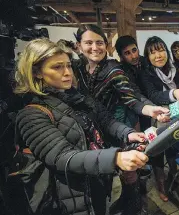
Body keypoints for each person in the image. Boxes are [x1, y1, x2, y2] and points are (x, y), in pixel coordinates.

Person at [14, 38, 149, 215]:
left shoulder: (77, 97)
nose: (67, 72)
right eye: (57, 67)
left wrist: (129, 134)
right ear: (37, 72)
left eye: (68, 66)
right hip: (66, 198)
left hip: (96, 184)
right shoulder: (31, 114)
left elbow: (106, 120)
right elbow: (62, 157)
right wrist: (115, 158)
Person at [73, 25, 168, 215]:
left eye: (99, 43)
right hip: (93, 129)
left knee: (128, 170)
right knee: (107, 169)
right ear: (78, 46)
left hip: (119, 125)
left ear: (106, 46)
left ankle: (135, 206)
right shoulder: (77, 69)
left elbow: (131, 98)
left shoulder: (113, 70)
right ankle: (125, 200)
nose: (95, 47)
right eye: (88, 43)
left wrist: (150, 110)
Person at [140, 36, 179, 202]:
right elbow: (153, 95)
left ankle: (174, 179)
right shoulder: (145, 73)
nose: (158, 55)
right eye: (152, 52)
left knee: (175, 146)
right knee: (158, 151)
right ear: (147, 56)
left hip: (175, 114)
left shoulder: (174, 70)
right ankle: (161, 184)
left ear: (166, 52)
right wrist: (174, 94)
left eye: (161, 50)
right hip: (156, 117)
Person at [114, 35, 155, 131]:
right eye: (127, 53)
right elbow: (135, 93)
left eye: (134, 50)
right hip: (139, 109)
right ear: (121, 56)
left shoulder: (147, 61)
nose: (134, 56)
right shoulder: (121, 72)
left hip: (155, 100)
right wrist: (152, 108)